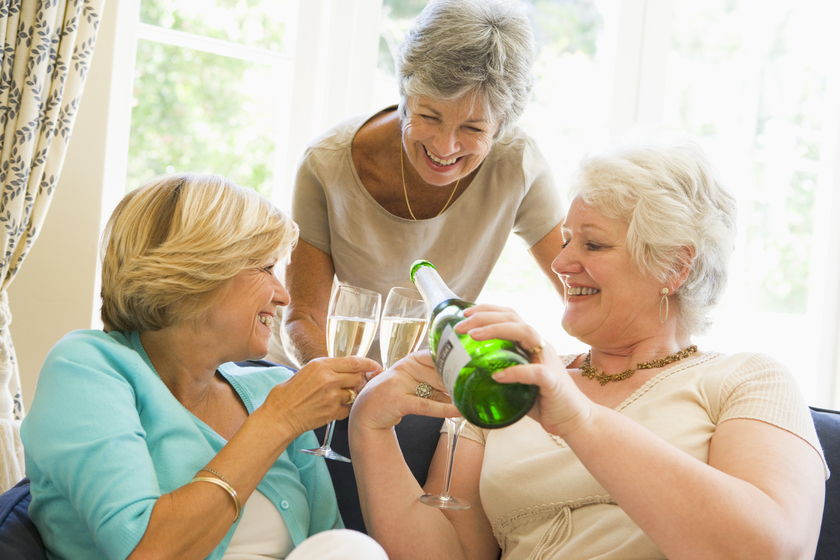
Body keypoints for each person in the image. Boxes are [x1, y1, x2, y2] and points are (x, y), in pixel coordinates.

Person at [349, 138, 828, 559]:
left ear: (674, 267)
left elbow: (772, 550)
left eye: (593, 245)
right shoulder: (512, 378)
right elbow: (448, 554)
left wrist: (578, 419)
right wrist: (370, 424)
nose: (560, 262)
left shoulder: (750, 380)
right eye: (565, 241)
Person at [20, 174, 388, 560]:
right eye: (265, 268)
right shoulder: (87, 368)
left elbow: (327, 544)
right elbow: (145, 552)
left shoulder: (271, 386)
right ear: (196, 273)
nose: (283, 295)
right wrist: (277, 421)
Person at [277, 0, 565, 369]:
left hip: (418, 382)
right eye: (429, 116)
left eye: (473, 128)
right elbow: (303, 317)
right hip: (315, 368)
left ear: (500, 126)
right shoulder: (327, 163)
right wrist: (350, 395)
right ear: (405, 96)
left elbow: (580, 287)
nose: (445, 147)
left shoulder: (517, 164)